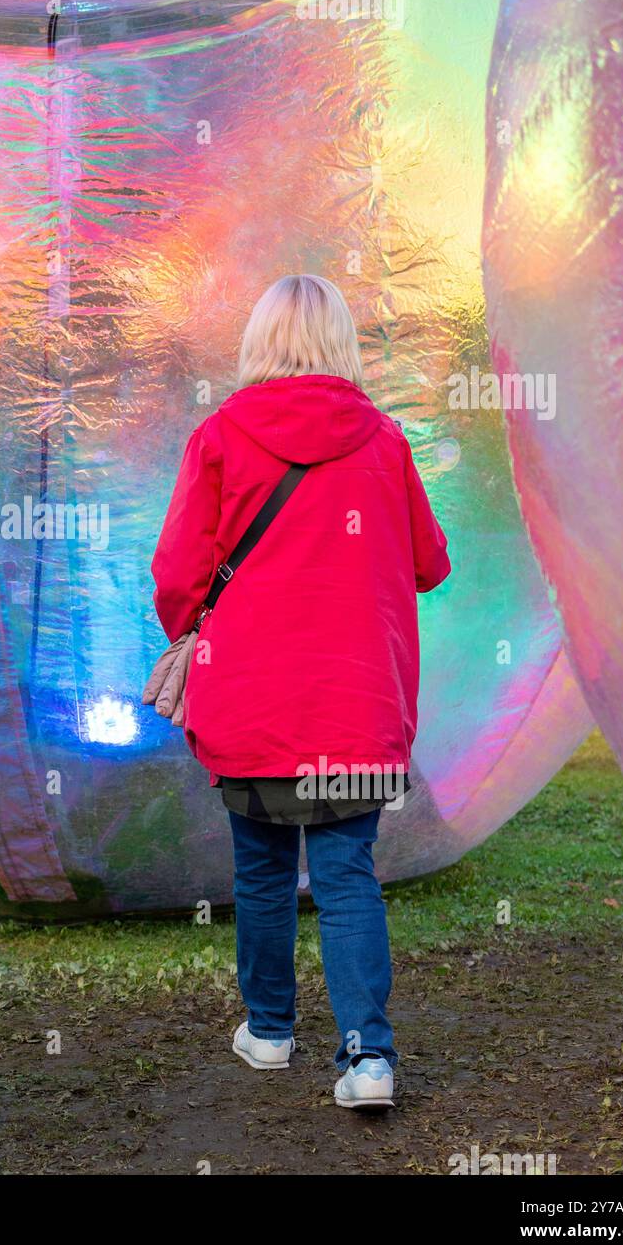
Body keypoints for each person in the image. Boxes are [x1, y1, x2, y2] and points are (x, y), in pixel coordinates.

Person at [150, 274, 450, 1111]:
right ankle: (368, 1059)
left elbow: (179, 575)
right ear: (341, 344)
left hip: (250, 698)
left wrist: (191, 625)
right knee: (348, 873)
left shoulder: (219, 437)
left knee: (263, 869)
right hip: (356, 703)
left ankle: (272, 1029)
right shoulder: (384, 443)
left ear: (259, 342)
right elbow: (430, 562)